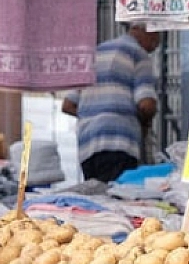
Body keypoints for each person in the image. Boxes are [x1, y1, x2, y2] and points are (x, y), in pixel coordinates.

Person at [61, 25, 161, 183]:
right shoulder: (138, 54)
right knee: (116, 201)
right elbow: (146, 104)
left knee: (97, 200)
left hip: (87, 144)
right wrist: (144, 121)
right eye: (156, 38)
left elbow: (68, 105)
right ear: (147, 31)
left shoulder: (94, 54)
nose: (156, 45)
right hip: (119, 142)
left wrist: (95, 114)